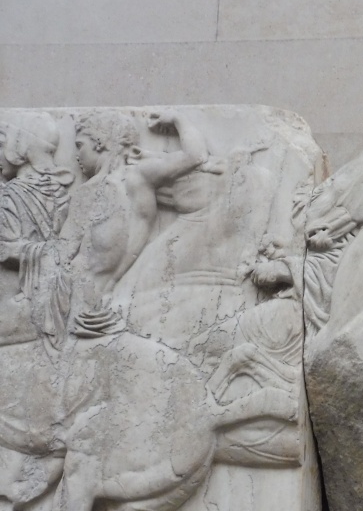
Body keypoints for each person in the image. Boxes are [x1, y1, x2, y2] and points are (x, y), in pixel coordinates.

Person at [60, 109, 208, 337]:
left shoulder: (97, 189)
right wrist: (180, 120)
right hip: (101, 293)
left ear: (99, 142)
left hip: (72, 295)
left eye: (80, 145)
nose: (77, 155)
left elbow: (60, 254)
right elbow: (195, 155)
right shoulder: (138, 177)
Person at [0, 112, 74, 347]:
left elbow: (7, 247)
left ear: (19, 149)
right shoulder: (61, 193)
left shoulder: (9, 195)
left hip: (19, 299)